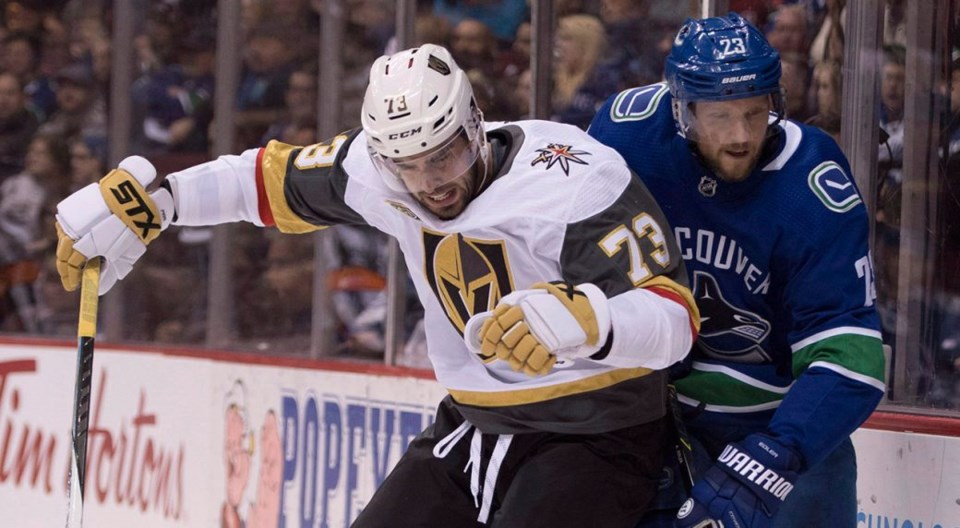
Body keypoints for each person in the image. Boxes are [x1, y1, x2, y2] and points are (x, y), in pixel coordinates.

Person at [54, 44, 699, 527]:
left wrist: (592, 321)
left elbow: (674, 318)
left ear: (475, 122)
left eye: (444, 154)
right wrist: (155, 204)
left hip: (600, 433)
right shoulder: (376, 169)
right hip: (472, 425)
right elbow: (261, 179)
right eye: (407, 166)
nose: (430, 182)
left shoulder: (573, 179)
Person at [588, 13, 885, 528]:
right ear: (682, 110)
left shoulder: (812, 187)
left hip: (781, 425)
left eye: (755, 112)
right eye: (720, 117)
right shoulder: (627, 136)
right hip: (658, 413)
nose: (742, 136)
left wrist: (773, 458)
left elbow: (852, 357)